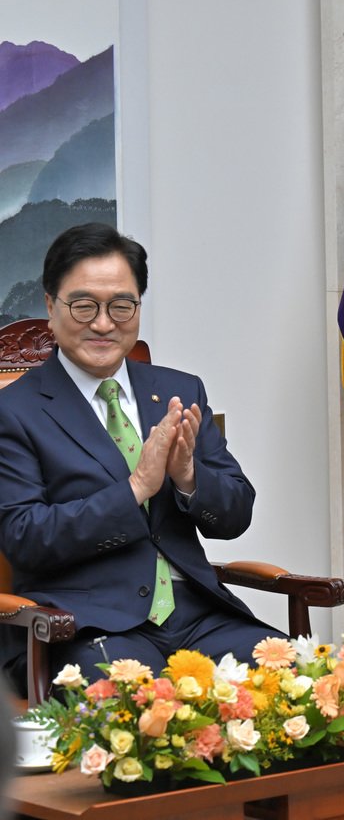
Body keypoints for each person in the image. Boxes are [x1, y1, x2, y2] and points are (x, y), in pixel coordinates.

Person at [0, 223, 282, 688]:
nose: (104, 323)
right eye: (84, 305)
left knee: (304, 689)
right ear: (51, 306)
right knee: (147, 715)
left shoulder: (178, 391)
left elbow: (236, 514)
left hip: (201, 617)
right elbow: (25, 536)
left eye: (121, 305)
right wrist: (135, 490)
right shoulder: (15, 411)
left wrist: (189, 477)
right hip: (85, 626)